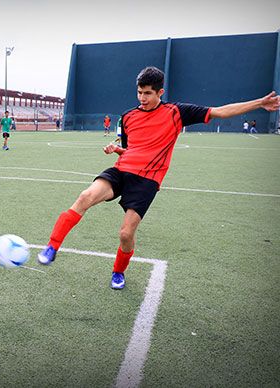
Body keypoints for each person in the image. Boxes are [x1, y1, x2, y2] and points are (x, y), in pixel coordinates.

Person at [36, 66, 280, 290]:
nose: (142, 98)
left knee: (125, 234)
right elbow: (132, 149)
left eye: (148, 93)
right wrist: (117, 150)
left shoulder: (177, 112)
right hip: (121, 170)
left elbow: (220, 112)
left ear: (160, 92)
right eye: (139, 92)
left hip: (147, 181)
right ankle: (52, 247)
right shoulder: (129, 117)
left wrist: (259, 103)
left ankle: (118, 272)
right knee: (85, 196)